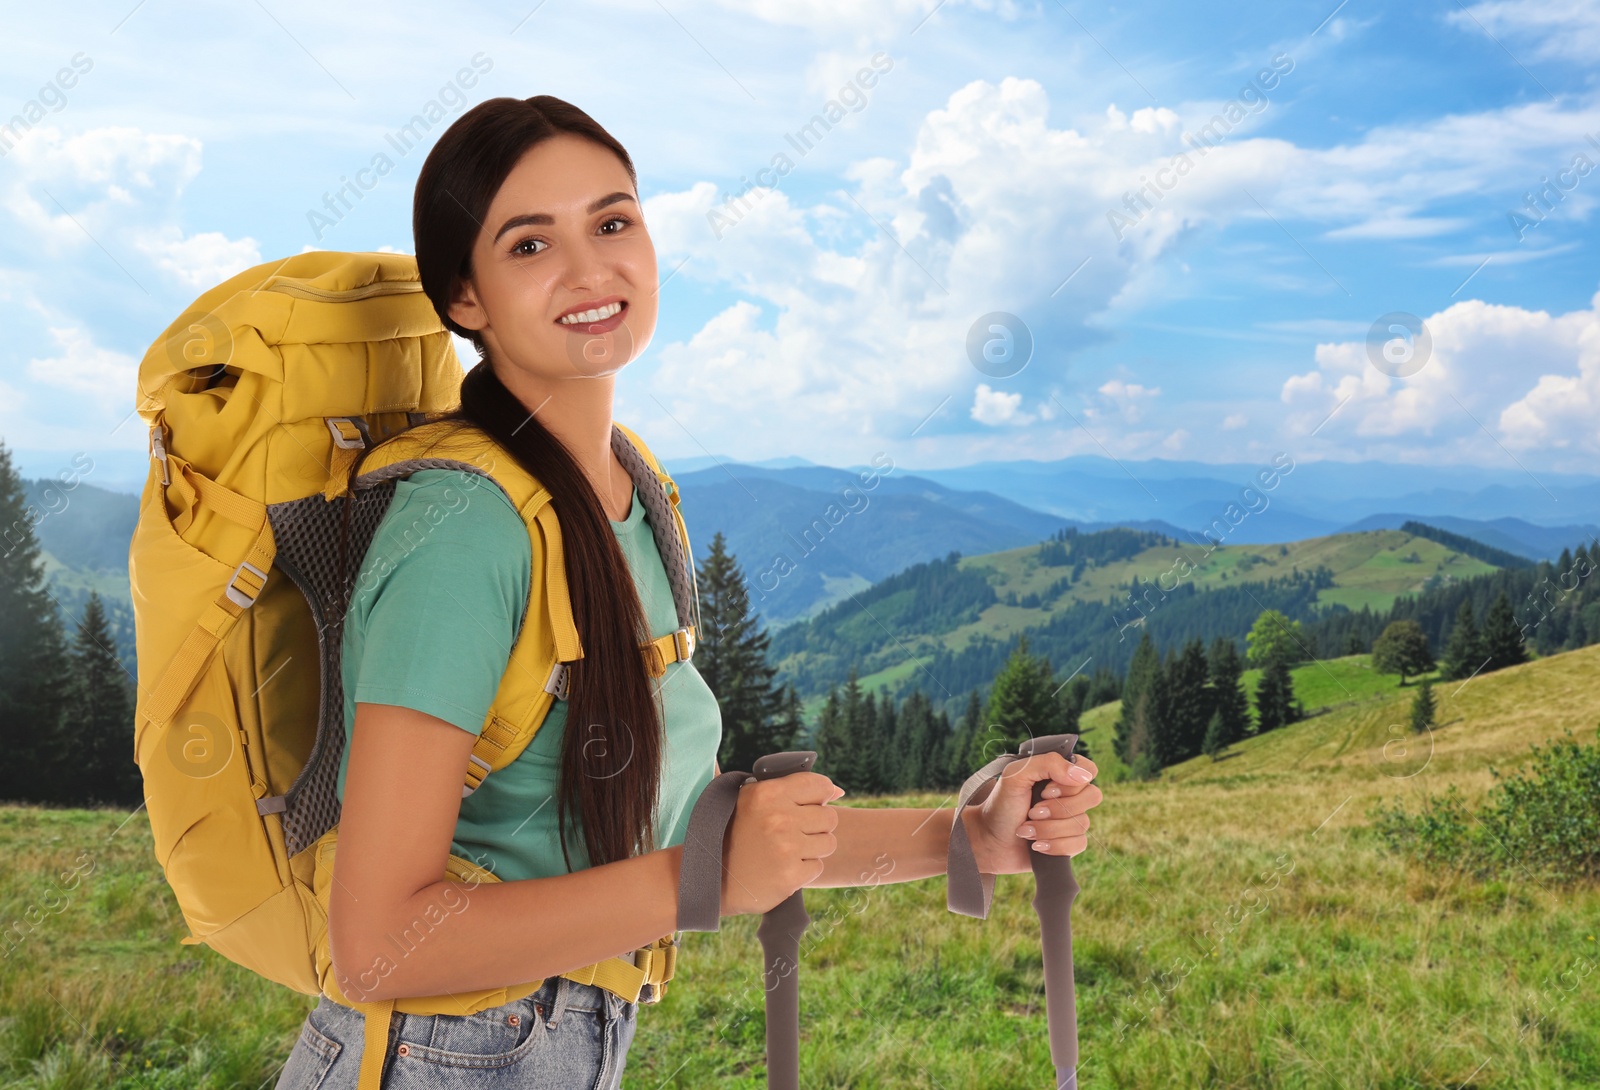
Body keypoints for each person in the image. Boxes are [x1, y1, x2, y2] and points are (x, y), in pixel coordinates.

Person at [275, 94, 1103, 1089]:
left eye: (612, 222)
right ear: (465, 297)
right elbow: (377, 942)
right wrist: (701, 882)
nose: (591, 270)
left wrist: (969, 837)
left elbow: (672, 817)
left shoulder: (630, 492)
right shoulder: (463, 533)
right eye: (530, 246)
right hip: (439, 1054)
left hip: (541, 1045)